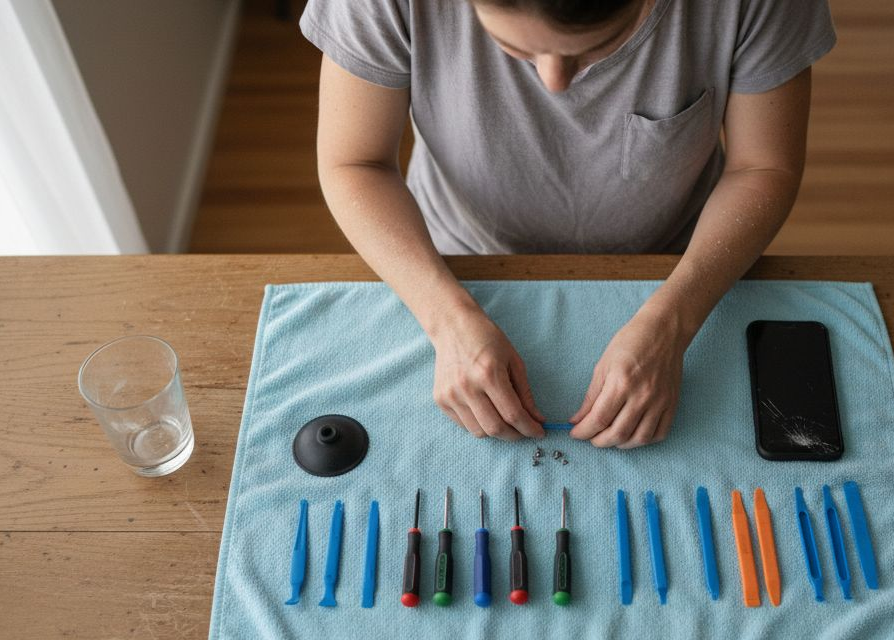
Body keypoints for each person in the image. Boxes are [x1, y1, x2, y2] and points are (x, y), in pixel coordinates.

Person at [303, 0, 835, 448]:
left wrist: (674, 322)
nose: (555, 83)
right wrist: (446, 319)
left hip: (677, 258)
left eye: (594, 47)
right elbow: (356, 164)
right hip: (453, 256)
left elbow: (761, 167)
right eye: (517, 49)